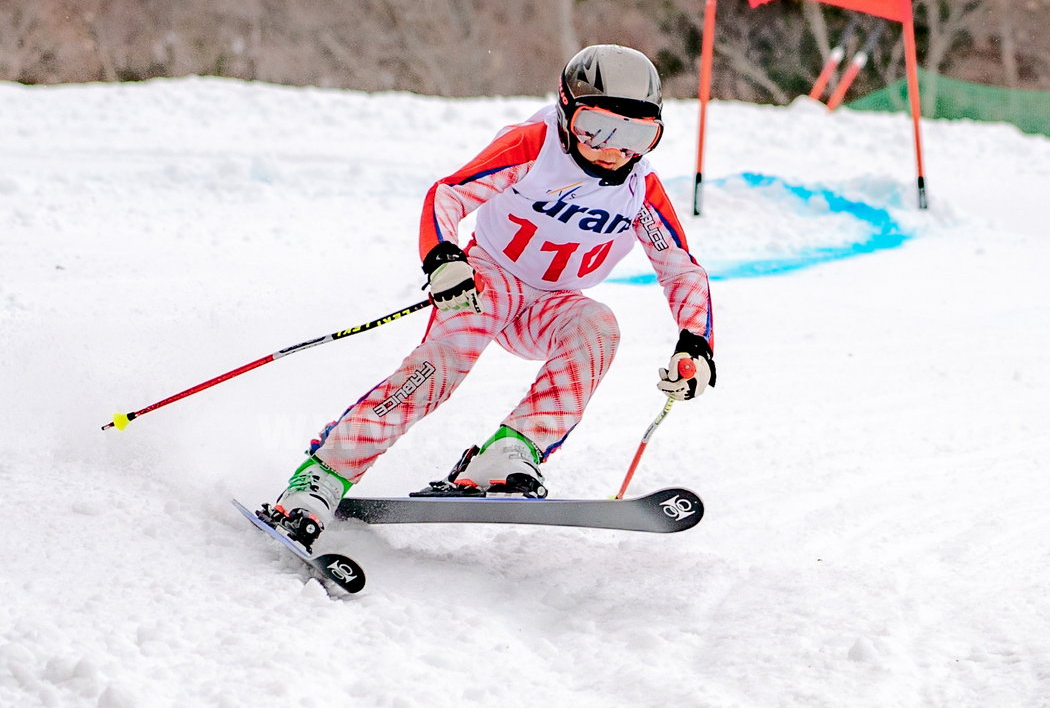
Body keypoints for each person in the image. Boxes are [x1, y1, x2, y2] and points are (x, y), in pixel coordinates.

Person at [263, 44, 715, 548]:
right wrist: (443, 257)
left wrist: (695, 341)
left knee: (597, 326)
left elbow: (681, 268)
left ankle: (507, 454)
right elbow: (449, 193)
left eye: (637, 136)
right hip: (490, 276)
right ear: (567, 112)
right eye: (598, 128)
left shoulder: (640, 189)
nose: (614, 150)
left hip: (553, 302)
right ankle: (320, 478)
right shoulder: (534, 145)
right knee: (449, 356)